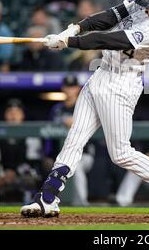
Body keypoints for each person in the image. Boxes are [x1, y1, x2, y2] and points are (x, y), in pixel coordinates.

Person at [21, 0, 149, 218]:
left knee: (121, 154)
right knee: (74, 139)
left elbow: (108, 39)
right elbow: (111, 16)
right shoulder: (147, 0)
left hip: (122, 84)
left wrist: (69, 42)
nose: (145, 5)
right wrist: (77, 27)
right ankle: (47, 198)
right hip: (101, 74)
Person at [48, 75, 95, 206]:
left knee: (76, 165)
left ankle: (81, 203)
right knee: (60, 164)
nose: (69, 90)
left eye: (72, 87)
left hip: (84, 154)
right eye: (67, 87)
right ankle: (50, 201)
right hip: (60, 153)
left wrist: (76, 123)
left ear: (78, 89)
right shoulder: (57, 110)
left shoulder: (85, 107)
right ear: (63, 88)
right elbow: (48, 133)